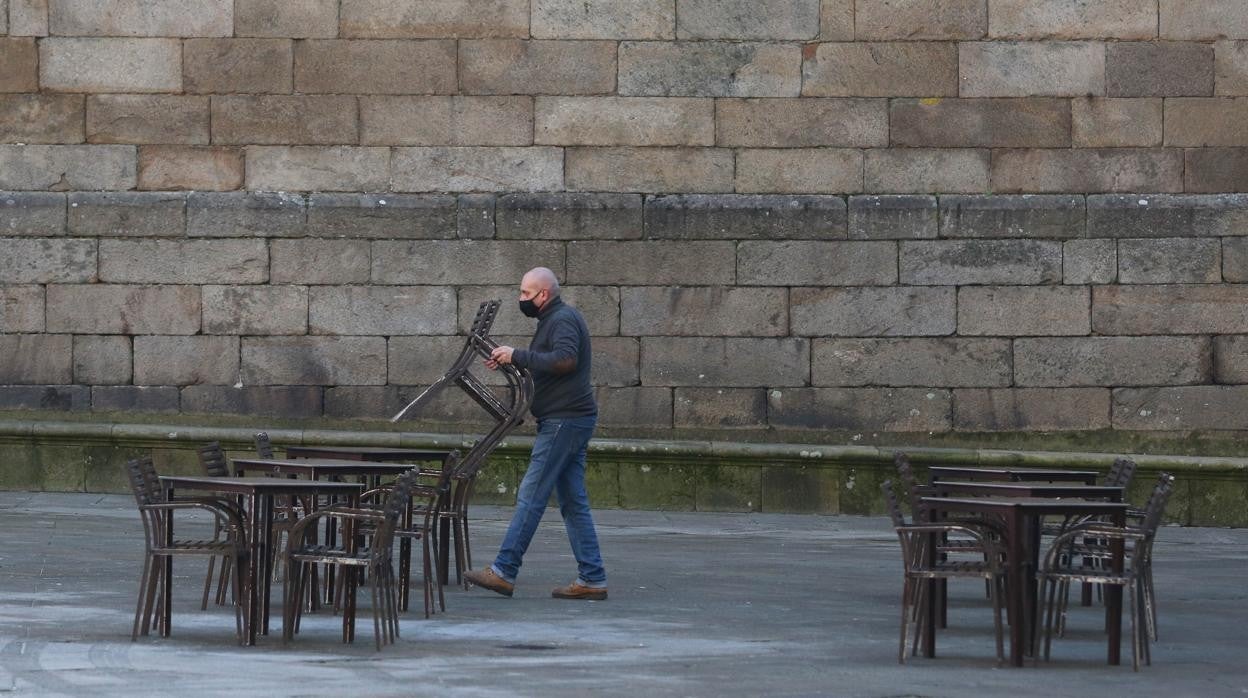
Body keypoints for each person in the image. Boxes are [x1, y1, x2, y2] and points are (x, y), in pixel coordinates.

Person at [463, 267, 608, 600]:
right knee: (573, 502)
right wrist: (512, 359)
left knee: (531, 496)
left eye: (526, 294)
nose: (521, 299)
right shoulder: (554, 320)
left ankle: (503, 571)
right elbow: (550, 362)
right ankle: (593, 578)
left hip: (564, 421)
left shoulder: (563, 320)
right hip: (571, 420)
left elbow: (565, 360)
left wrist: (518, 355)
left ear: (544, 294)